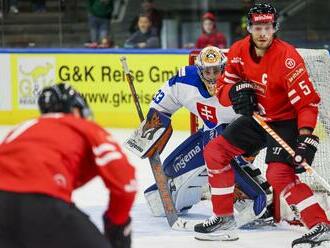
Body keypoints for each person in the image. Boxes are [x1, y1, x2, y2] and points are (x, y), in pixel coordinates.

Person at [193, 3, 330, 247]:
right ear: (250, 28)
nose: (263, 33)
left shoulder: (288, 58)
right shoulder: (237, 51)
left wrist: (306, 137)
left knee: (277, 174)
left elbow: (307, 103)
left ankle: (320, 224)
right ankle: (224, 219)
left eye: (267, 27)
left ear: (275, 27)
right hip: (257, 119)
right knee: (215, 152)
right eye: (258, 27)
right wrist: (235, 92)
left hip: (286, 121)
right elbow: (222, 89)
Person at [125, 46, 273, 229]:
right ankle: (246, 193)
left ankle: (252, 197)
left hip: (241, 138)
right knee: (168, 176)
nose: (212, 76)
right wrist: (153, 127)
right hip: (211, 135)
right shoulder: (184, 80)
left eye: (216, 70)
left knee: (216, 143)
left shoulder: (239, 83)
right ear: (199, 70)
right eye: (207, 71)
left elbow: (267, 116)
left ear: (224, 69)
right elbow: (162, 105)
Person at [0, 83, 136, 248]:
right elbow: (125, 181)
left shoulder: (22, 129)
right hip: (43, 205)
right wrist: (117, 222)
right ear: (76, 110)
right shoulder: (84, 127)